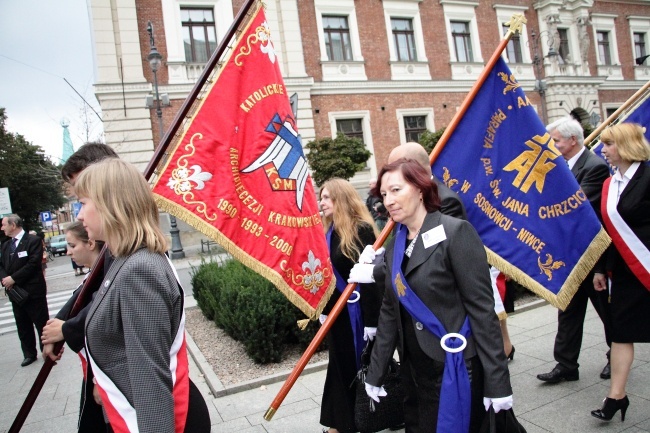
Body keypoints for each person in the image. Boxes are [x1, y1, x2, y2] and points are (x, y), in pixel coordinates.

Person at [349, 159, 512, 433]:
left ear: (421, 189)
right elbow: (390, 312)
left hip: (455, 367)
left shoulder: (456, 232)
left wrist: (498, 383)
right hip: (414, 371)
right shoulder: (395, 246)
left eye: (396, 190)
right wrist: (375, 374)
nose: (389, 200)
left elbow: (483, 311)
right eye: (385, 194)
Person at [74, 158, 210, 432]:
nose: (79, 215)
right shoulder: (127, 260)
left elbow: (149, 376)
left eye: (84, 203)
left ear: (108, 203)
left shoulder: (139, 270)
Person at [537, 116, 612, 384]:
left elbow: (575, 207)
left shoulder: (595, 167)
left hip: (592, 254)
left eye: (555, 140)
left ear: (572, 140)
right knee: (568, 309)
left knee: (605, 310)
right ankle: (566, 364)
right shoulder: (561, 165)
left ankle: (616, 355)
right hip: (569, 255)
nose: (552, 145)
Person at [591, 122, 650, 422]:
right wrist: (601, 269)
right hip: (626, 275)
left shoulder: (648, 176)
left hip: (648, 268)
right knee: (620, 334)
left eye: (609, 144)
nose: (603, 150)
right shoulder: (609, 184)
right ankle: (616, 396)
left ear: (626, 145)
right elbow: (608, 233)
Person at [318, 178, 382, 433]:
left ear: (340, 199)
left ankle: (342, 425)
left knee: (354, 367)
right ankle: (341, 423)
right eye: (321, 197)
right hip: (337, 314)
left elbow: (372, 278)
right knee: (341, 368)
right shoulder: (329, 231)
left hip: (357, 315)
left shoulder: (362, 229)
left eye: (326, 198)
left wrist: (371, 322)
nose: (320, 203)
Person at [42, 221, 106, 430]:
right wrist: (54, 333)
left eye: (72, 245)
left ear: (90, 243)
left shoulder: (108, 274)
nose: (68, 252)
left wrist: (99, 382)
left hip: (103, 376)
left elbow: (107, 332)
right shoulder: (93, 274)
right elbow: (76, 303)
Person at [0, 214, 49, 367]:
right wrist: (5, 279)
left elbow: (33, 264)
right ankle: (29, 354)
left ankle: (47, 350)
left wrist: (13, 278)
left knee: (41, 323)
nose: (2, 228)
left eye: (4, 224)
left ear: (13, 225)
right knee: (22, 325)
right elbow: (1, 265)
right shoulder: (6, 245)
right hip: (15, 292)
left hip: (33, 291)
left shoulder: (32, 241)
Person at [388, 141, 467, 220]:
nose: (391, 177)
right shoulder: (401, 200)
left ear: (415, 168)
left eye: (395, 170)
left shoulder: (446, 201)